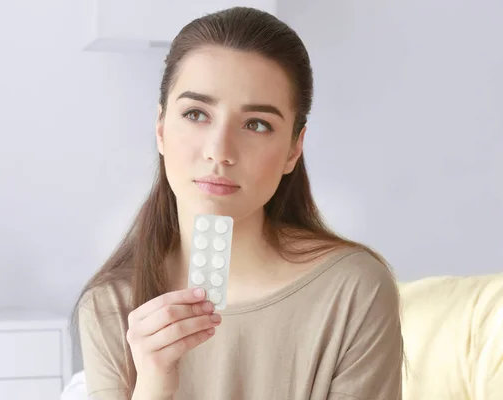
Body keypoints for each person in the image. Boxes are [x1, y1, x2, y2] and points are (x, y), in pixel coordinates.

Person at [75, 6, 403, 400]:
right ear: (161, 129)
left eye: (257, 124)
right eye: (196, 114)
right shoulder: (110, 306)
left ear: (293, 149)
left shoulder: (353, 290)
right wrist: (154, 383)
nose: (220, 151)